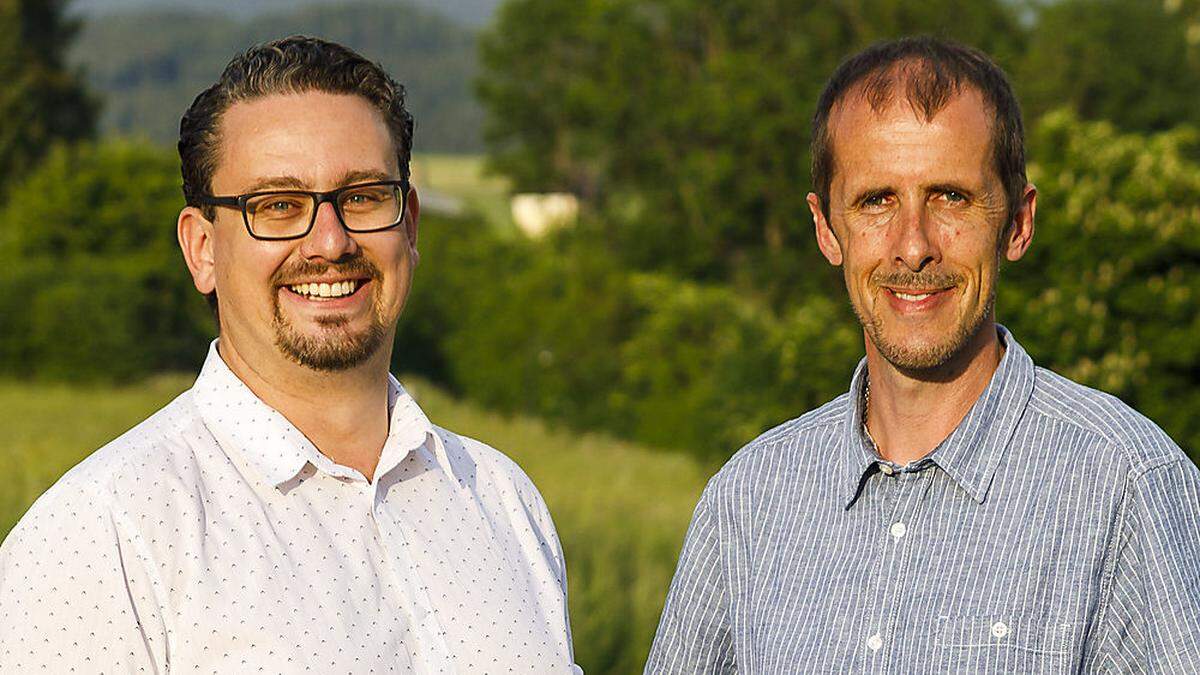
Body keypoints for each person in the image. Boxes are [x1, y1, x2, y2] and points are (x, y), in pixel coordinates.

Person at [0, 36, 580, 672]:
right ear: (202, 249)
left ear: (409, 226)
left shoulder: (502, 499)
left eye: (361, 196)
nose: (329, 242)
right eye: (277, 207)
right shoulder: (105, 535)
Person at [647, 36, 1200, 672]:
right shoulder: (746, 502)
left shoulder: (1127, 487)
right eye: (877, 200)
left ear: (1017, 222)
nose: (913, 247)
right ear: (827, 228)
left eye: (951, 197)